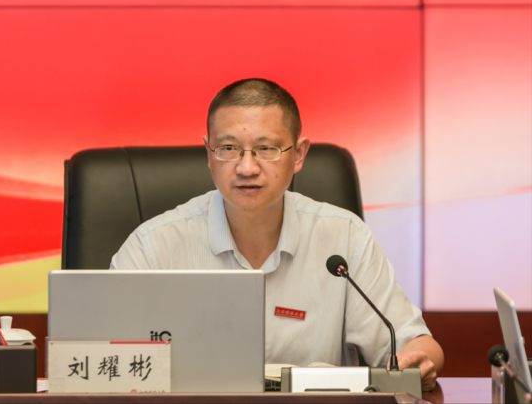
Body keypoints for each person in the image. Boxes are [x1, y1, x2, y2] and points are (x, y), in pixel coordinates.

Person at [110, 78, 444, 391]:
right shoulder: (153, 246)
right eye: (228, 148)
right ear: (209, 155)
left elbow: (415, 344)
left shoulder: (344, 238)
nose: (247, 168)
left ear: (298, 154)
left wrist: (417, 362)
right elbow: (105, 361)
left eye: (266, 148)